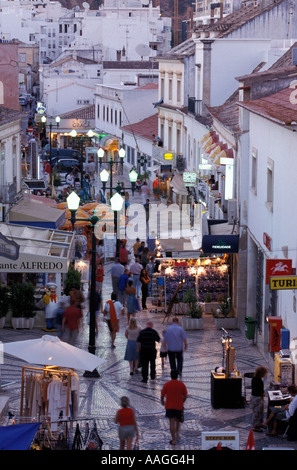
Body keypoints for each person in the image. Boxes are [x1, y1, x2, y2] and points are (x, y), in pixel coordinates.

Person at [161, 370, 188, 445]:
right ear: (177, 376)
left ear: (171, 375)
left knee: (171, 423)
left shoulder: (167, 384)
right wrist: (182, 401)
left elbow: (162, 395)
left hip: (169, 406)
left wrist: (162, 401)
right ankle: (177, 434)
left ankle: (173, 440)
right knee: (178, 421)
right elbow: (185, 395)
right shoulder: (181, 384)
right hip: (178, 406)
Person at [250, 365, 268, 432]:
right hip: (258, 398)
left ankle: (257, 425)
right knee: (258, 413)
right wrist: (263, 394)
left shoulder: (254, 378)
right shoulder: (259, 381)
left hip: (253, 397)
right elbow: (260, 391)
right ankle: (256, 426)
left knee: (256, 412)